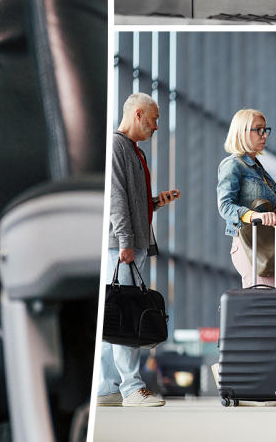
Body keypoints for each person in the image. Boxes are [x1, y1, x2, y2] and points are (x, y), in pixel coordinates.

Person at [98, 94, 180, 408]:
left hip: (129, 245)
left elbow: (131, 203)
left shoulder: (134, 151)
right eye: (154, 119)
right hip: (122, 247)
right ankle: (132, 388)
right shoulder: (118, 147)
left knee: (114, 316)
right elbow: (115, 198)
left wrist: (156, 202)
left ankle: (106, 389)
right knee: (128, 318)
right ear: (138, 113)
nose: (156, 126)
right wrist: (125, 243)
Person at [217, 108, 276, 288]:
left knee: (274, 307)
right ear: (241, 132)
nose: (264, 135)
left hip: (266, 246)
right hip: (249, 244)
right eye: (258, 130)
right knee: (266, 306)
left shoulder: (258, 169)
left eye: (265, 130)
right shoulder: (232, 164)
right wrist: (254, 216)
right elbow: (225, 206)